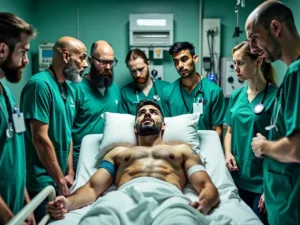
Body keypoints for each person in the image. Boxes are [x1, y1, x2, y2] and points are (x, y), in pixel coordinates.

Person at [47, 99, 219, 224]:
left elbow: (206, 186)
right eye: (142, 113)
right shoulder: (118, 153)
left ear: (164, 125)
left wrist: (203, 204)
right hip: (123, 198)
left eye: (153, 112)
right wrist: (67, 203)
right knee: (95, 221)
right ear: (135, 128)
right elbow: (92, 188)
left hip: (169, 198)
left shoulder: (182, 151)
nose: (147, 115)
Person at [20, 36, 88, 222]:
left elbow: (68, 134)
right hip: (42, 180)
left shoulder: (69, 89)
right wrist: (59, 180)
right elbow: (39, 139)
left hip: (61, 178)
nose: (86, 64)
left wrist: (70, 173)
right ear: (66, 56)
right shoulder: (40, 85)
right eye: (82, 58)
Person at [246, 1, 300, 225]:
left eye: (254, 38)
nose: (252, 49)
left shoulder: (296, 74)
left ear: (276, 28)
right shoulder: (292, 74)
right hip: (283, 199)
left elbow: (296, 149)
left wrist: (263, 147)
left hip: (292, 206)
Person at [224, 41, 278, 225]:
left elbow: (280, 144)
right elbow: (229, 131)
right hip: (237, 179)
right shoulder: (237, 96)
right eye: (234, 63)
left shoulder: (276, 97)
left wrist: (268, 189)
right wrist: (228, 153)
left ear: (258, 61)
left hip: (262, 182)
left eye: (241, 63)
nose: (236, 69)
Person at [0, 12, 36, 225]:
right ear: (2, 49)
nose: (26, 60)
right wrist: (10, 219)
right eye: (23, 51)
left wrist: (26, 204)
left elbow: (15, 155)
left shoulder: (7, 93)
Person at [72, 40, 120, 172]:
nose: (108, 67)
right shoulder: (76, 89)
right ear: (90, 60)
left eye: (111, 62)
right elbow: (67, 134)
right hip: (81, 161)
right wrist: (69, 170)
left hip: (108, 162)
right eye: (103, 62)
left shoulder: (115, 89)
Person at [161, 42, 226, 138]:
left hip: (206, 147)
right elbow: (165, 129)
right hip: (177, 148)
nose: (180, 65)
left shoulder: (214, 91)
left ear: (195, 58)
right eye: (176, 62)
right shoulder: (167, 93)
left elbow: (217, 130)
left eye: (184, 59)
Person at [120, 49, 169, 115]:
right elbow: (123, 122)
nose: (137, 74)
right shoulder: (125, 93)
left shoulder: (166, 88)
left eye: (141, 69)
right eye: (133, 71)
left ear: (148, 64)